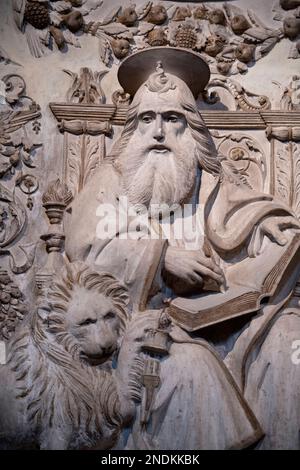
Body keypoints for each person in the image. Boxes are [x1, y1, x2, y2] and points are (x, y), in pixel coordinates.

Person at [64, 50, 300, 449]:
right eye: (147, 119)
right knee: (191, 367)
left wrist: (269, 226)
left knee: (291, 344)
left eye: (172, 119)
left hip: (225, 324)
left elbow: (246, 214)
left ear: (190, 129)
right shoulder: (111, 181)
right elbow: (85, 250)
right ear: (133, 129)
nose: (158, 132)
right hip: (143, 327)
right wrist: (162, 258)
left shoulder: (208, 183)